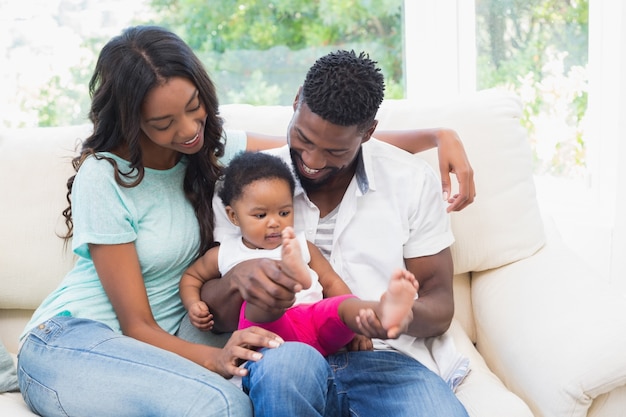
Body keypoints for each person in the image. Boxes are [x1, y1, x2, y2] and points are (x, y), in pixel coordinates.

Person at [16, 25, 473, 417]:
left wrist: (438, 134)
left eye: (194, 105)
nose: (188, 128)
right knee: (226, 406)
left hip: (160, 354)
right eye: (163, 122)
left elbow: (334, 136)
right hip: (75, 337)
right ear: (132, 120)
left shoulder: (217, 150)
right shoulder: (106, 176)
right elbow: (137, 326)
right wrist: (217, 356)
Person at [201, 50, 471, 416]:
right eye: (303, 138)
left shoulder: (410, 181)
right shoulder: (245, 186)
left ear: (368, 132)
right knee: (283, 372)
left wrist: (397, 316)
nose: (312, 161)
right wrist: (238, 280)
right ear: (296, 102)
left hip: (383, 361)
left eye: (334, 151)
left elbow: (440, 305)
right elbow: (212, 306)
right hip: (284, 353)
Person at [181, 151, 418, 357]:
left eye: (284, 213)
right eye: (261, 215)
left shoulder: (301, 245)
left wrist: (355, 327)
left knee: (341, 307)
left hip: (314, 322)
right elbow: (192, 277)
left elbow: (331, 281)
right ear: (233, 216)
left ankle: (381, 311)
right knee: (260, 300)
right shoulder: (226, 252)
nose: (274, 223)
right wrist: (194, 304)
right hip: (268, 336)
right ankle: (287, 277)